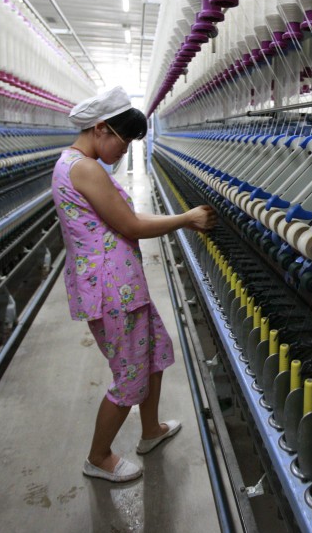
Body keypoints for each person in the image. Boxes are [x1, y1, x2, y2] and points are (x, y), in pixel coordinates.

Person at [51, 87, 216, 482]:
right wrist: (185, 218)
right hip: (113, 290)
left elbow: (120, 215)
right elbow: (130, 224)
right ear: (101, 129)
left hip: (120, 285)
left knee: (156, 349)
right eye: (122, 143)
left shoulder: (74, 164)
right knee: (129, 376)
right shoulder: (84, 169)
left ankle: (150, 430)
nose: (123, 152)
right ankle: (98, 457)